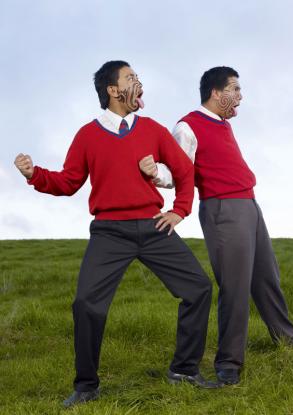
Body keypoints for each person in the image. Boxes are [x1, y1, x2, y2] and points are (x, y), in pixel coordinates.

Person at [14, 61, 221, 408]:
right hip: (110, 232)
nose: (137, 82)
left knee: (199, 289)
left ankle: (184, 370)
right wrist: (35, 174)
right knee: (86, 305)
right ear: (113, 90)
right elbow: (67, 182)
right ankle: (87, 385)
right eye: (130, 78)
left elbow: (185, 172)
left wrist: (178, 210)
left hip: (154, 227)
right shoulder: (87, 135)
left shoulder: (153, 129)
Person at [139, 66, 293, 386]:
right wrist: (153, 171)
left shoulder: (223, 124)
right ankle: (228, 362)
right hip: (223, 210)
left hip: (249, 205)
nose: (240, 96)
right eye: (235, 89)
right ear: (216, 93)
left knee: (267, 278)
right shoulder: (188, 126)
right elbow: (176, 173)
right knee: (235, 287)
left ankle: (287, 339)